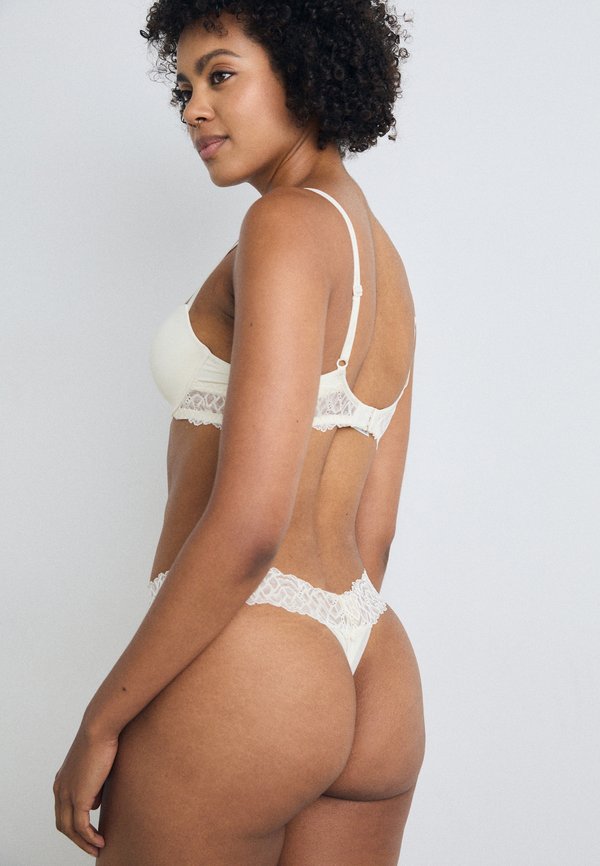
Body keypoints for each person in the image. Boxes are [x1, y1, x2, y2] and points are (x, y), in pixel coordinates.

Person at [53, 1, 425, 862]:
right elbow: (374, 531)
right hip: (373, 665)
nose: (194, 109)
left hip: (253, 664)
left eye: (221, 75)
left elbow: (252, 524)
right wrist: (316, 677)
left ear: (305, 70)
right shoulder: (383, 259)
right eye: (184, 86)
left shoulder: (285, 224)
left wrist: (101, 721)